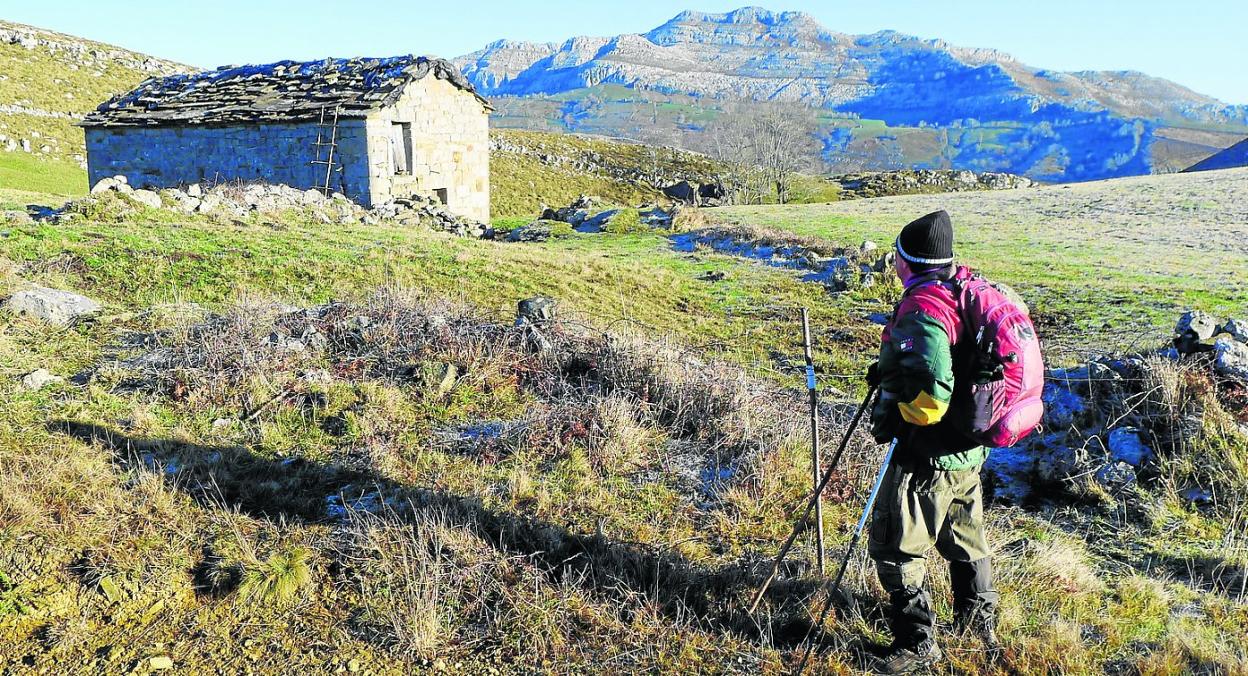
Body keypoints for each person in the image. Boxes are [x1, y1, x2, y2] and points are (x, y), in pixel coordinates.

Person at [865, 210, 1000, 674]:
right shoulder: (962, 291)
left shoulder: (922, 306)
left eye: (897, 256)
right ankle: (979, 626)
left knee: (897, 546)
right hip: (968, 448)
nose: (895, 264)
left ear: (908, 260)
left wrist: (903, 417)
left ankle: (918, 644)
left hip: (929, 451)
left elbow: (931, 391)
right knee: (965, 537)